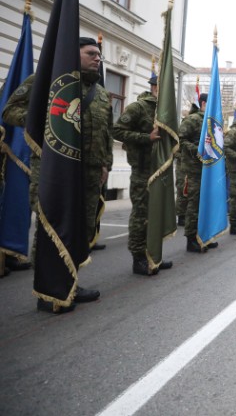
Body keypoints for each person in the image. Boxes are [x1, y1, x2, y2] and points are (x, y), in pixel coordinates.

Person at [3, 37, 111, 311]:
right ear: (73, 54)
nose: (97, 58)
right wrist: (46, 115)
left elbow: (106, 132)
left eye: (99, 55)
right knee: (53, 226)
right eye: (91, 53)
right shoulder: (47, 80)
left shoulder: (98, 91)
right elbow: (10, 110)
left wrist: (105, 164)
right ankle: (49, 291)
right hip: (56, 169)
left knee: (81, 229)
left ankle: (70, 283)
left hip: (89, 173)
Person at [112, 74, 174, 274]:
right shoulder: (138, 107)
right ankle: (138, 257)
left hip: (160, 169)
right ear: (155, 87)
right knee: (141, 215)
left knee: (156, 212)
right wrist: (146, 137)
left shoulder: (166, 111)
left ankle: (153, 254)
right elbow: (117, 131)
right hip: (142, 170)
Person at [178, 93, 218, 252]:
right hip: (194, 169)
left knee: (207, 203)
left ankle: (204, 236)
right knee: (194, 205)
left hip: (209, 169)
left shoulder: (213, 122)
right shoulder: (193, 120)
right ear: (203, 103)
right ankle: (191, 239)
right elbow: (180, 139)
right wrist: (198, 149)